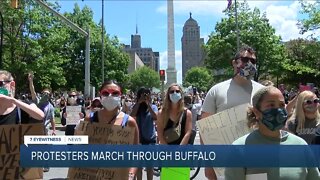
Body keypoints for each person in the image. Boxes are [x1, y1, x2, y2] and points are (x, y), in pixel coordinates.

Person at [224, 86, 320, 180]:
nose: (278, 110)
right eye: (271, 105)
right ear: (256, 112)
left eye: (282, 105)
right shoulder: (239, 148)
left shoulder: (300, 145)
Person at [200, 45, 265, 179]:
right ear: (234, 62)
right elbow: (205, 128)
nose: (250, 64)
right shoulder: (216, 90)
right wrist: (208, 163)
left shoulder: (263, 92)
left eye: (253, 61)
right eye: (245, 59)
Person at [85, 80, 139, 179]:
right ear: (100, 95)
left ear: (120, 96)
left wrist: (130, 174)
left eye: (115, 93)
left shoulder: (129, 122)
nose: (110, 96)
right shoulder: (90, 119)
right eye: (106, 93)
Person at [130, 87, 158, 180]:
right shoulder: (136, 107)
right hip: (138, 140)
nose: (145, 96)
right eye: (143, 94)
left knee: (149, 167)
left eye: (147, 94)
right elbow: (132, 115)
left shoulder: (153, 106)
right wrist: (139, 102)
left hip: (150, 140)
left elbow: (155, 117)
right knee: (139, 167)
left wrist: (148, 104)